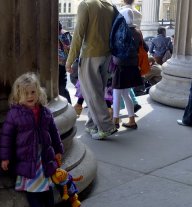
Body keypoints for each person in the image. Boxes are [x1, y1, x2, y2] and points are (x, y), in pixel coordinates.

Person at [0, 72, 64, 207]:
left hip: (44, 158)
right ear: (18, 95)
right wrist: (5, 157)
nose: (30, 96)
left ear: (38, 92)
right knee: (33, 191)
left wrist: (58, 149)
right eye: (25, 93)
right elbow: (6, 137)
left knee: (47, 188)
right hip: (28, 160)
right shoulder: (14, 114)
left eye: (33, 92)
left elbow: (54, 132)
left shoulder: (45, 111)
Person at [65, 0, 117, 140]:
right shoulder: (109, 6)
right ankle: (92, 124)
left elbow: (78, 34)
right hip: (107, 55)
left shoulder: (86, 5)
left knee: (92, 93)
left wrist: (70, 60)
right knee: (97, 92)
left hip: (90, 55)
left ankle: (106, 127)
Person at [111, 8, 145, 130]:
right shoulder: (137, 31)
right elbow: (144, 47)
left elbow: (115, 49)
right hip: (133, 67)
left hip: (121, 67)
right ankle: (131, 120)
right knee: (126, 94)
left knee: (117, 94)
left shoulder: (122, 30)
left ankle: (115, 121)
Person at [58, 22, 72, 104]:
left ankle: (68, 105)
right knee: (62, 86)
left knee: (61, 87)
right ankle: (69, 105)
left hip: (60, 63)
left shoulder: (62, 35)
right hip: (64, 62)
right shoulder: (66, 33)